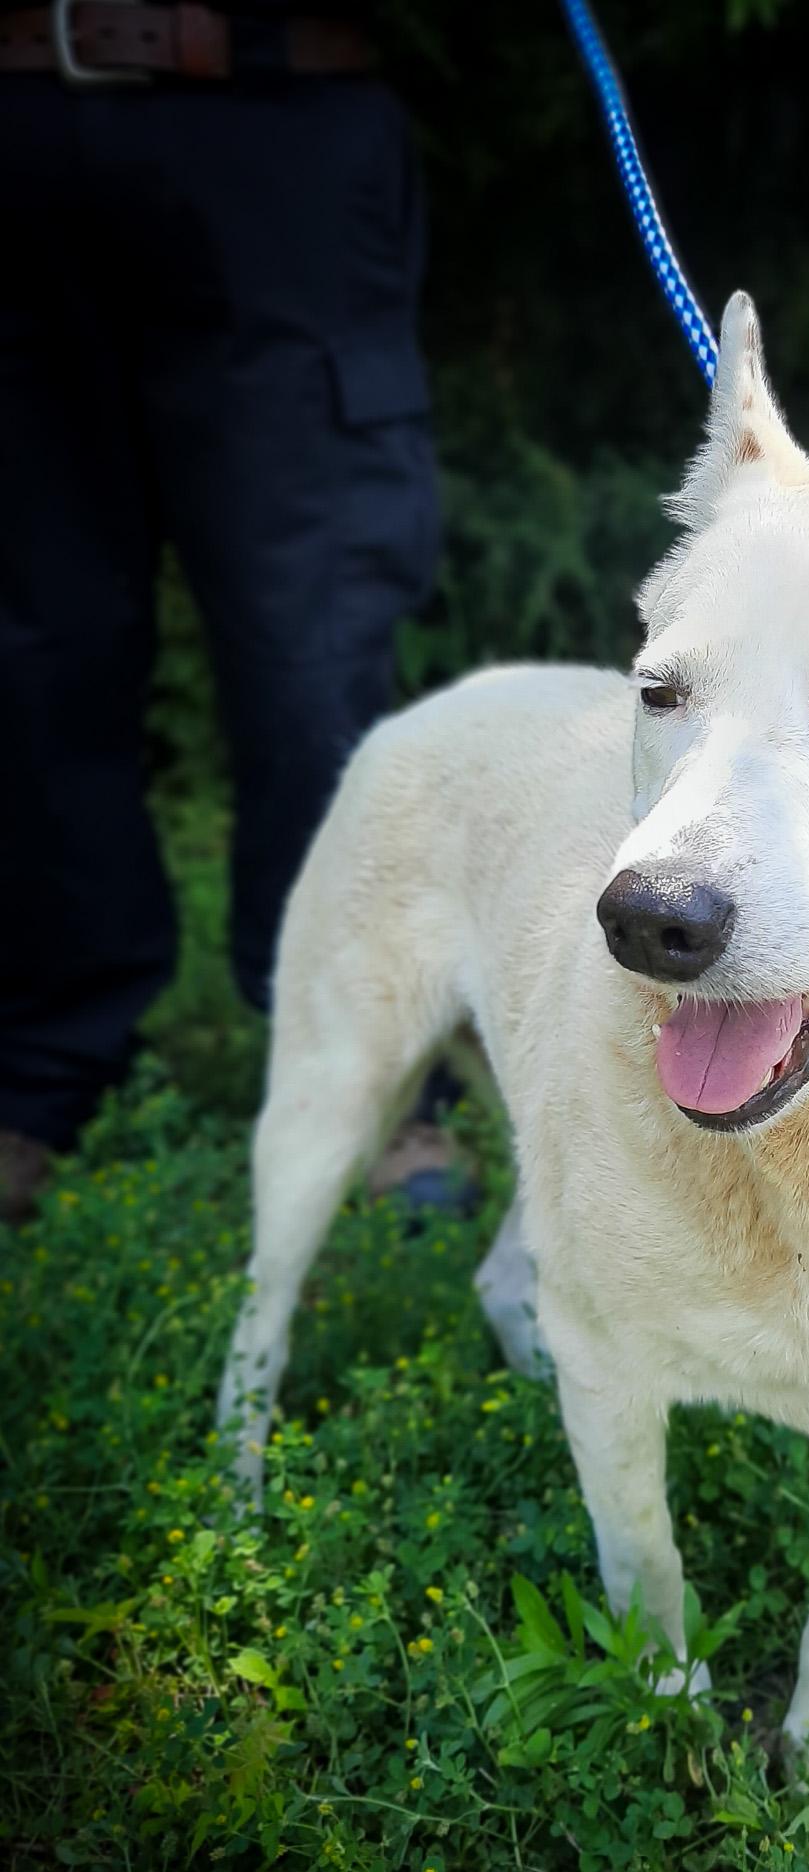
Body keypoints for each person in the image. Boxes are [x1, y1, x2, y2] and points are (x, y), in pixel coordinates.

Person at [0, 1, 450, 1222]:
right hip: (17, 122)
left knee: (312, 653)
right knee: (33, 652)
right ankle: (39, 1074)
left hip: (274, 129)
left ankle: (370, 1058)